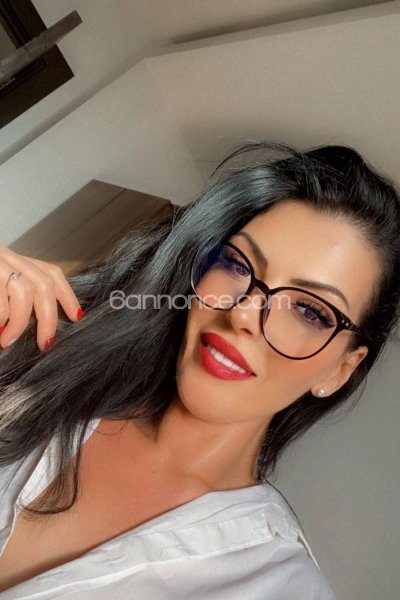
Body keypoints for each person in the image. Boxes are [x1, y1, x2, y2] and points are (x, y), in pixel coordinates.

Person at [0, 140, 399, 599]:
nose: (242, 312)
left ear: (340, 370)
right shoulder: (47, 370)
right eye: (236, 264)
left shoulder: (277, 587)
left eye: (309, 311)